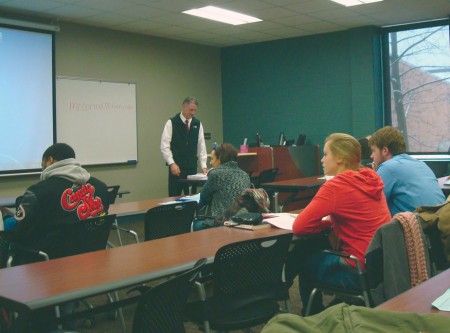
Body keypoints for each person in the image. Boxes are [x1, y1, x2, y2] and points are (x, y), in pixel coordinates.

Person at [287, 133, 391, 315]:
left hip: (357, 270)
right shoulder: (371, 179)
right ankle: (335, 307)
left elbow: (300, 227)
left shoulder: (335, 187)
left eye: (326, 154)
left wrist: (328, 226)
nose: (321, 160)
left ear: (341, 159)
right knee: (316, 247)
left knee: (303, 260)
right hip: (380, 267)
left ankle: (313, 317)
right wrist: (334, 226)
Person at [13, 143, 110, 260]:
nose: (42, 168)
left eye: (42, 164)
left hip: (52, 259)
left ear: (50, 160)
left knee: (9, 224)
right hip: (93, 255)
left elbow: (21, 231)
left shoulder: (38, 192)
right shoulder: (101, 187)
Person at [369, 126, 445, 215]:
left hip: (418, 226)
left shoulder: (387, 167)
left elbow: (371, 205)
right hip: (439, 223)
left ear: (385, 150)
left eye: (374, 151)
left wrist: (373, 177)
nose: (371, 156)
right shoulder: (421, 164)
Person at [194, 143, 251, 230]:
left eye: (212, 159)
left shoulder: (215, 174)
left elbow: (203, 197)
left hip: (222, 222)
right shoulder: (245, 175)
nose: (210, 162)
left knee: (194, 224)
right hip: (243, 221)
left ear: (219, 158)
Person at [160, 97, 208, 196]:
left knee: (192, 198)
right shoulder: (172, 122)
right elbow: (164, 146)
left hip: (191, 168)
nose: (193, 113)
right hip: (176, 169)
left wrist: (203, 165)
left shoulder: (197, 124)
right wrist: (171, 163)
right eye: (191, 110)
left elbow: (201, 146)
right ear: (184, 107)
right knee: (174, 197)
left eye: (195, 110)